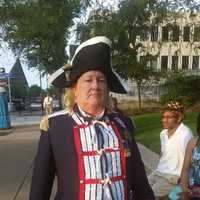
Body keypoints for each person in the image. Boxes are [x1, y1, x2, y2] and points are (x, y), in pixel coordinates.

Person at [30, 36, 154, 200]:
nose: (95, 86)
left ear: (107, 87)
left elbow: (139, 180)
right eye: (88, 80)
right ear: (75, 87)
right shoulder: (55, 127)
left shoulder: (124, 124)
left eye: (101, 80)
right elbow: (40, 187)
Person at [148, 100, 193, 199]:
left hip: (174, 176)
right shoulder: (163, 133)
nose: (164, 120)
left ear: (179, 118)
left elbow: (191, 161)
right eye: (163, 117)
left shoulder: (185, 134)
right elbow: (163, 153)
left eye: (169, 117)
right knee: (140, 188)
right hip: (160, 171)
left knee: (149, 195)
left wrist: (184, 184)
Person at [178, 113, 200, 200]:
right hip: (193, 185)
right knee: (173, 195)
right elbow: (185, 169)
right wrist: (185, 188)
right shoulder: (193, 143)